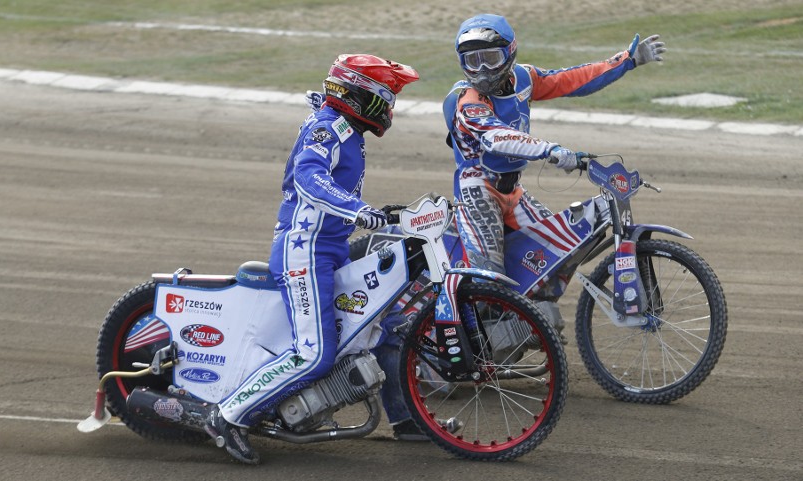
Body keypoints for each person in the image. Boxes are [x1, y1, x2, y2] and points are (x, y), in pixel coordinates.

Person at [202, 54, 419, 464]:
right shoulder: (327, 128)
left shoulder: (347, 128)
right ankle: (227, 416)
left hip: (330, 249)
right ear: (358, 95)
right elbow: (308, 177)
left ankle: (406, 420)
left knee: (386, 324)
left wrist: (370, 212)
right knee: (314, 353)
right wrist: (355, 209)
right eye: (385, 97)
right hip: (304, 251)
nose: (389, 107)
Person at [443, 14, 665, 330]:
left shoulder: (524, 78)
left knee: (552, 255)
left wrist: (626, 61)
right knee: (488, 279)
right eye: (472, 61)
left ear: (509, 53)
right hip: (477, 191)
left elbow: (571, 79)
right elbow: (497, 136)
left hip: (511, 191)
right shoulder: (468, 101)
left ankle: (525, 325)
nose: (481, 70)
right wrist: (550, 150)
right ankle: (474, 340)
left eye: (490, 59)